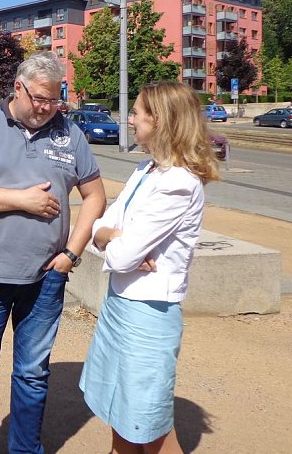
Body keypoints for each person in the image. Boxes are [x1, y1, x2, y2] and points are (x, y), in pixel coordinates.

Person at [0, 51, 107, 453]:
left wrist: (71, 255)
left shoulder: (70, 134)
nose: (47, 108)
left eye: (54, 100)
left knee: (32, 375)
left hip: (46, 279)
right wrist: (22, 200)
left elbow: (95, 197)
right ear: (18, 88)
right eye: (39, 98)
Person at [79, 82, 221, 454]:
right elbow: (101, 228)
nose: (130, 119)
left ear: (159, 120)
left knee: (149, 427)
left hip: (148, 315)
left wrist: (114, 241)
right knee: (119, 413)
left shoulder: (178, 183)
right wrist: (112, 235)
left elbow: (122, 257)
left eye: (137, 112)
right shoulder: (147, 170)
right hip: (120, 305)